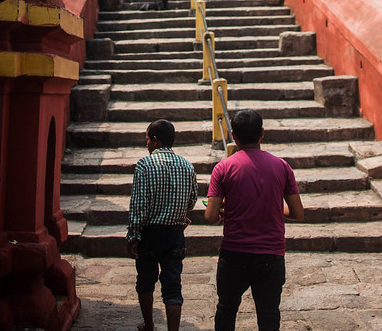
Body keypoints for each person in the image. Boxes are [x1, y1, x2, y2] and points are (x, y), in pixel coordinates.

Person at [205, 109, 304, 331]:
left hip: (234, 254)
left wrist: (225, 210)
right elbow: (298, 213)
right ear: (261, 134)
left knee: (226, 310)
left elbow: (211, 216)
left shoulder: (223, 168)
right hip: (271, 254)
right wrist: (274, 208)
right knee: (269, 317)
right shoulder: (282, 166)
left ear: (233, 134)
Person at [127, 120, 198, 331]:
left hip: (150, 234)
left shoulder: (145, 165)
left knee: (146, 282)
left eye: (147, 139)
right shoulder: (187, 165)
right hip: (175, 234)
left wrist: (133, 236)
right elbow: (192, 200)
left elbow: (139, 204)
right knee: (173, 285)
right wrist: (178, 215)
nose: (146, 144)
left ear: (155, 140)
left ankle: (149, 325)